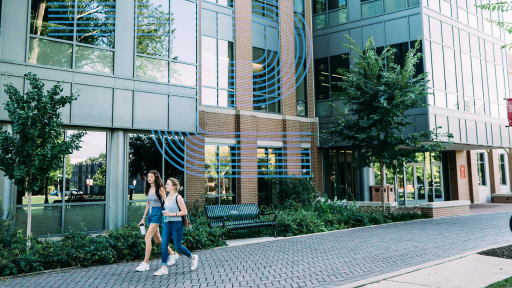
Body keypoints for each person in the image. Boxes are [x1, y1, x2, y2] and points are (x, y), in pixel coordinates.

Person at [154, 177, 198, 276]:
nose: (166, 186)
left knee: (178, 247)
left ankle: (193, 258)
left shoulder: (178, 197)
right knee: (164, 245)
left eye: (168, 184)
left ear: (174, 187)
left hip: (177, 224)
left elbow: (184, 212)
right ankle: (164, 268)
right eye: (166, 184)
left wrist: (171, 214)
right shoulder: (166, 197)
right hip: (167, 224)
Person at [135, 170, 178, 272]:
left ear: (155, 177)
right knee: (158, 240)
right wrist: (143, 218)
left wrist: (170, 214)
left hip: (158, 213)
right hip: (150, 214)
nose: (149, 178)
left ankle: (145, 263)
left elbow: (167, 201)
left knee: (147, 236)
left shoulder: (161, 189)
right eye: (148, 177)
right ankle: (173, 254)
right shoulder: (149, 188)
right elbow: (148, 204)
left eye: (151, 177)